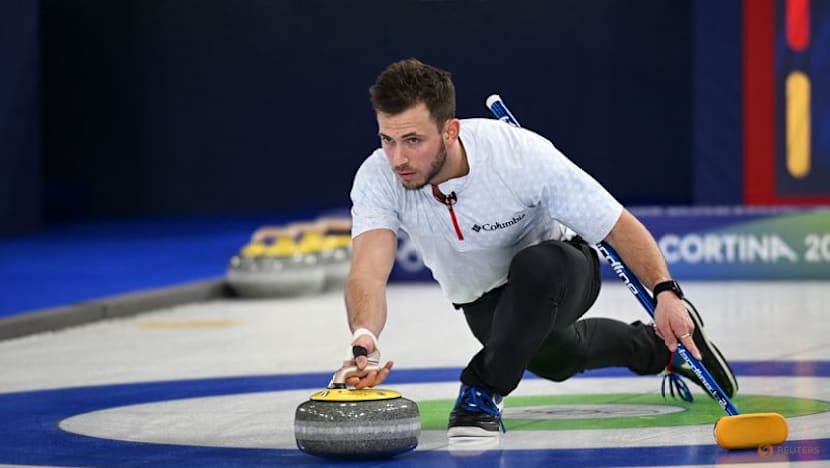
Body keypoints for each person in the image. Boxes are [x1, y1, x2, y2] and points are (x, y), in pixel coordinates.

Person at [340, 58, 737, 437]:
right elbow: (369, 272)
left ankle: (481, 390)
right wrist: (365, 338)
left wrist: (666, 292)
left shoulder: (517, 155)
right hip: (483, 300)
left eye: (413, 140)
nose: (398, 158)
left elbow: (617, 225)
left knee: (537, 268)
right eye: (387, 140)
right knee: (562, 358)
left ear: (450, 131)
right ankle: (659, 349)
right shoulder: (379, 177)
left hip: (562, 270)